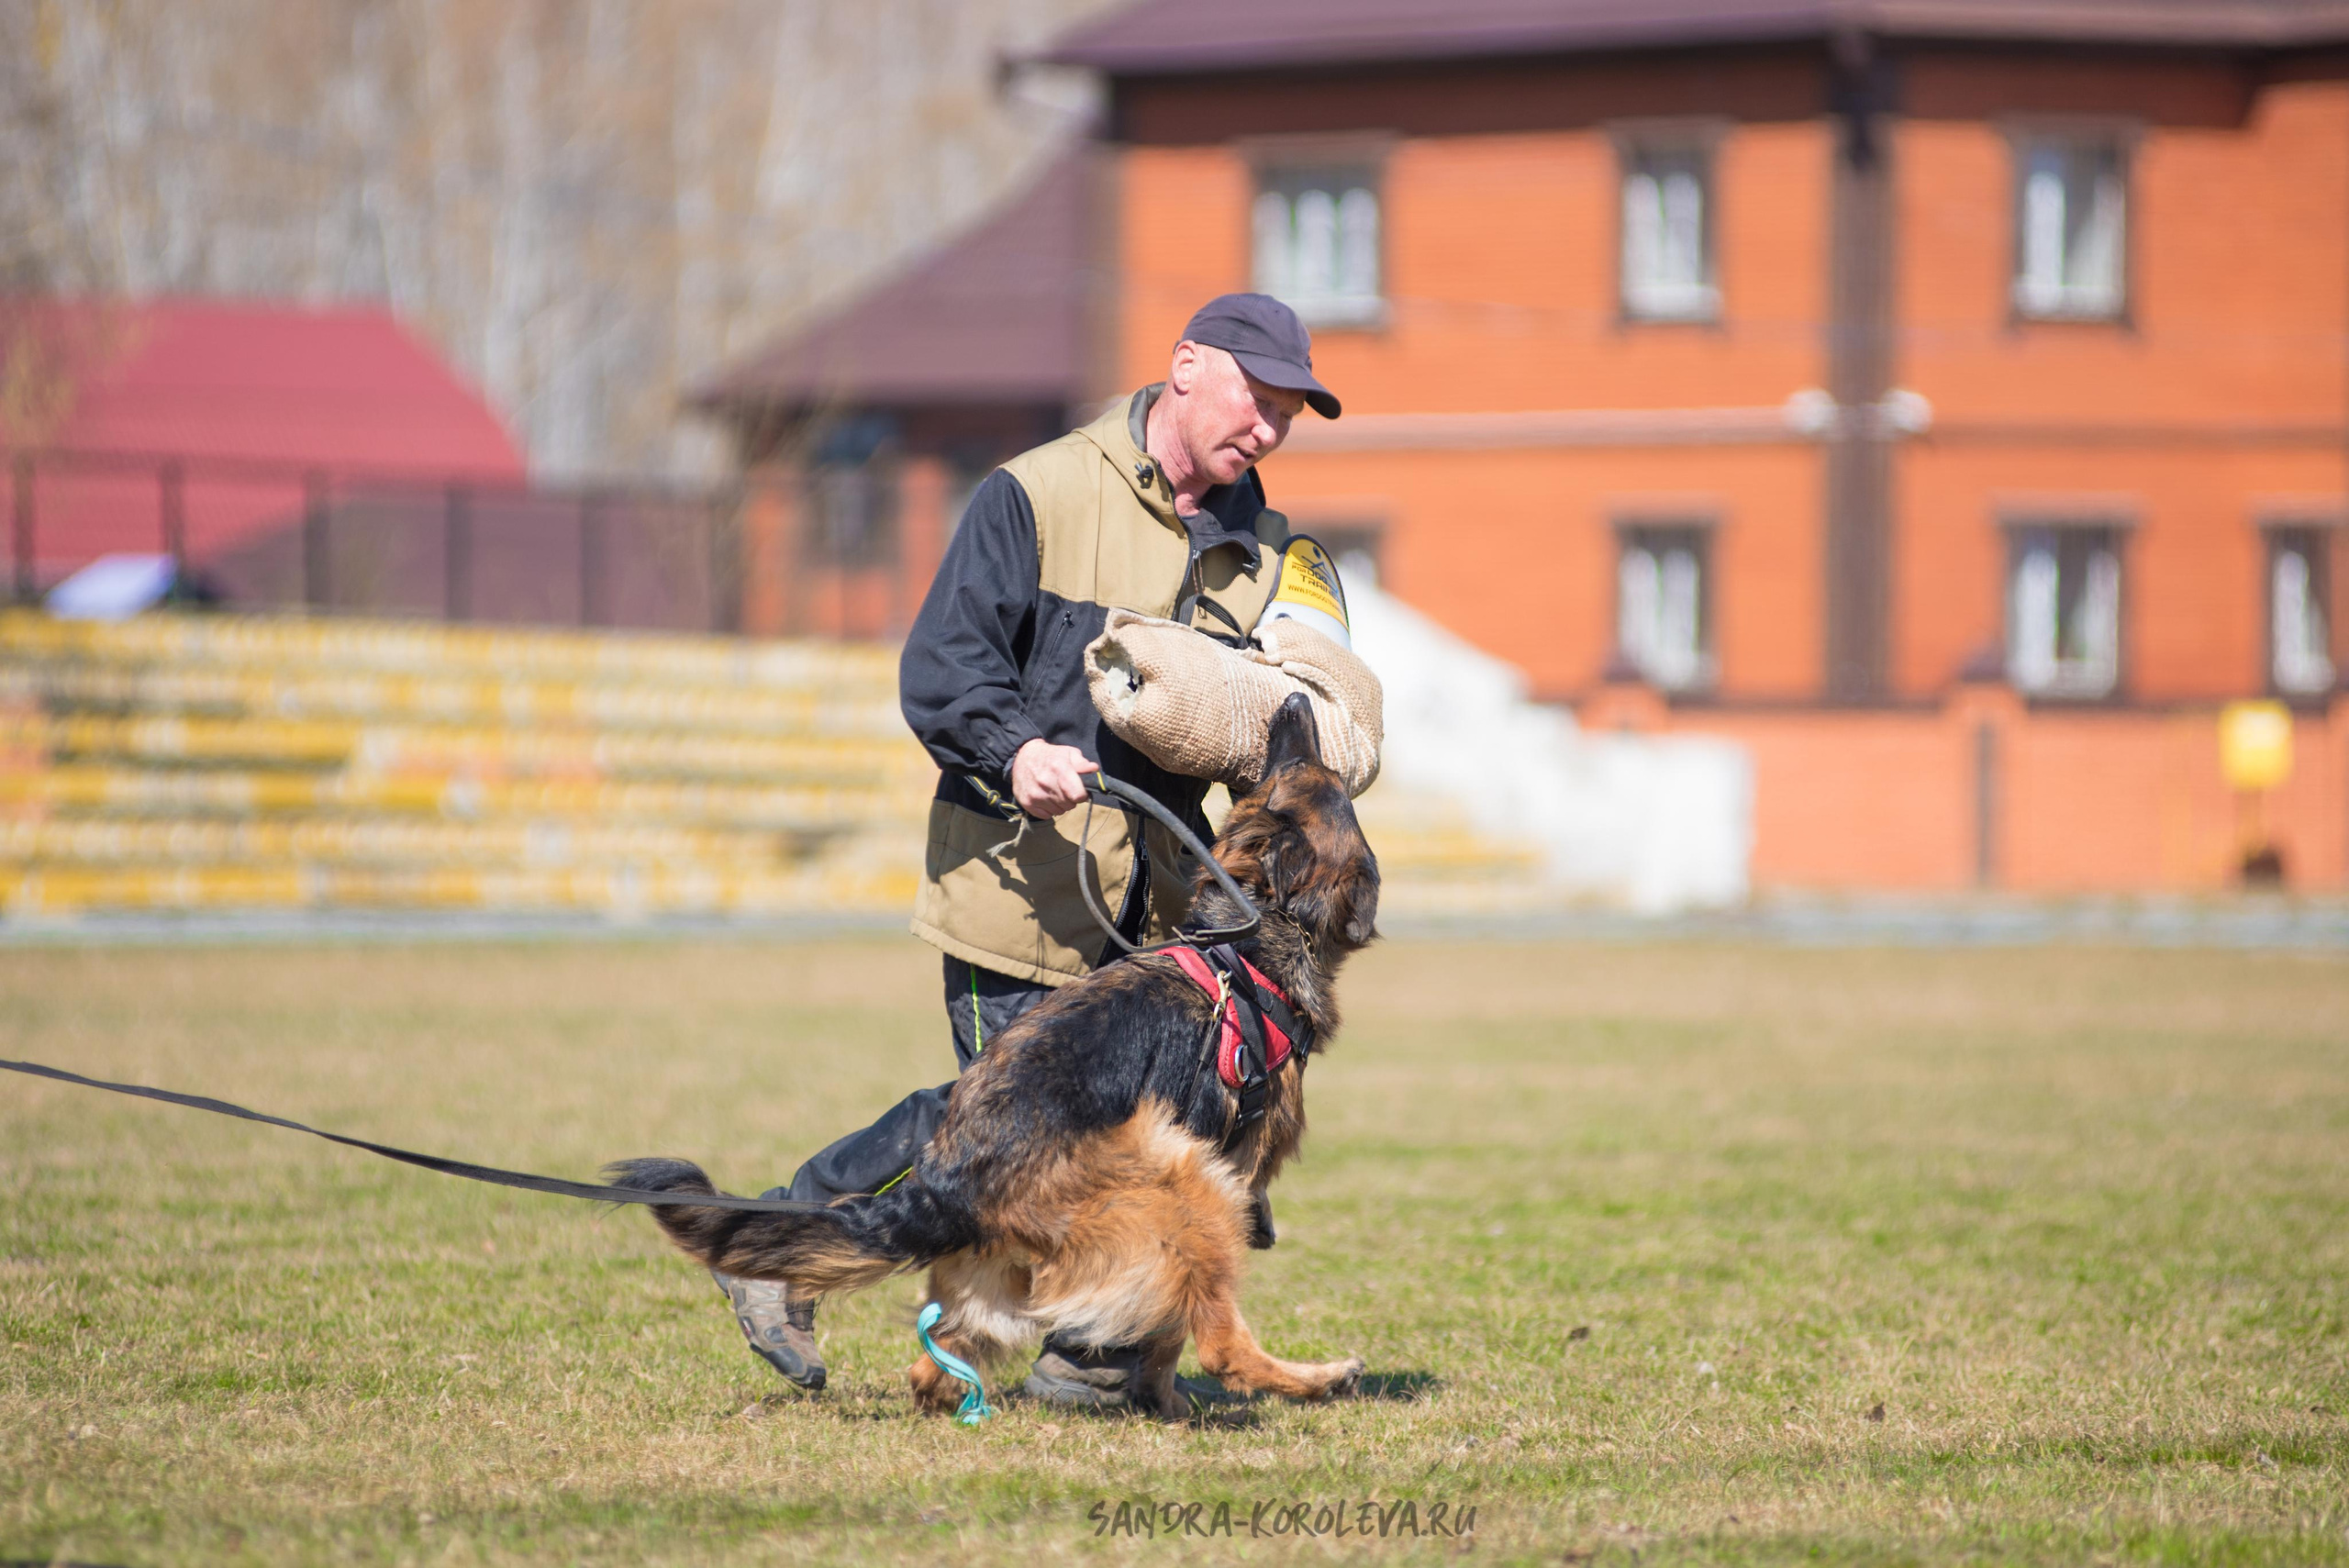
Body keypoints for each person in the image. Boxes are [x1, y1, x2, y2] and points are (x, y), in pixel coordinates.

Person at [715, 293, 1344, 1408]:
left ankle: (1090, 1365)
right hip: (1019, 888)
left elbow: (1287, 713)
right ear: (1185, 366)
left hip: (1158, 922)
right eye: (1257, 398)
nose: (1269, 428)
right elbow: (944, 666)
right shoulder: (1037, 492)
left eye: (1289, 413)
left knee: (1111, 1147)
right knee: (1000, 1125)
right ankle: (780, 1245)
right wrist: (1013, 752)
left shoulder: (1268, 555)